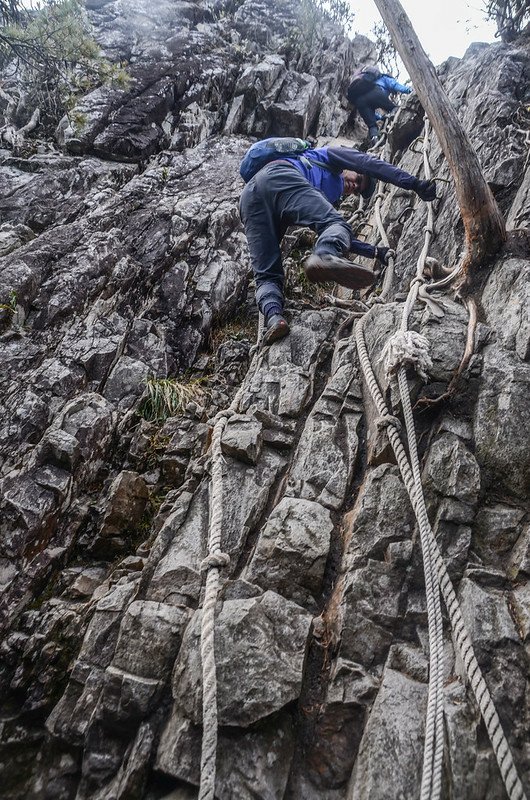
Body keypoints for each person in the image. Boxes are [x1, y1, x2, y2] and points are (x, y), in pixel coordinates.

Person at [239, 144, 437, 345]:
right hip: (279, 175)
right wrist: (415, 184)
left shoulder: (325, 192)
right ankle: (324, 255)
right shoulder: (328, 156)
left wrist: (375, 252)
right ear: (351, 169)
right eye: (358, 179)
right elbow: (369, 163)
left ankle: (275, 319)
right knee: (336, 225)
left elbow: (333, 233)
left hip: (250, 197)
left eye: (358, 190)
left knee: (267, 274)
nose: (355, 186)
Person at [347, 69, 412, 143]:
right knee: (394, 108)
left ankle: (375, 141)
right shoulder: (385, 78)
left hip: (359, 101)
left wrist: (380, 118)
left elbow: (371, 114)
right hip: (375, 93)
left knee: (372, 126)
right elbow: (395, 86)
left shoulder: (367, 82)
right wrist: (409, 90)